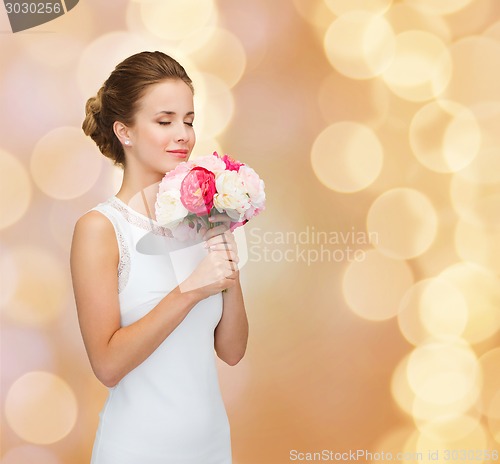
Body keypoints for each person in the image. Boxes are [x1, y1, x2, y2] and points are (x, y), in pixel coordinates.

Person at [70, 51, 248, 464]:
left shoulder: (206, 220)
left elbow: (233, 350)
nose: (183, 134)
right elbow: (108, 365)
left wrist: (228, 266)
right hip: (136, 451)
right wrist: (189, 290)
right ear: (124, 132)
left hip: (212, 448)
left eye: (188, 120)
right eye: (165, 121)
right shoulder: (101, 229)